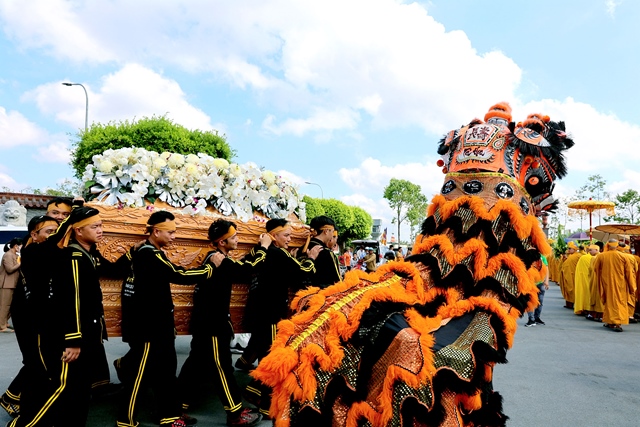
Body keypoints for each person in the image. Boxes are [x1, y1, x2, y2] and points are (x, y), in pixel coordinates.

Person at [10, 207, 135, 427]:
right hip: (63, 333)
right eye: (94, 226)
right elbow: (71, 300)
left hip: (87, 333)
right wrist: (73, 339)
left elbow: (110, 271)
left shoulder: (88, 254)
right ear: (77, 230)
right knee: (61, 386)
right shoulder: (71, 257)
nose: (100, 231)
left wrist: (132, 253)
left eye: (101, 226)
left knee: (79, 390)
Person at [115, 211, 221, 427]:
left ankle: (169, 415)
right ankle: (125, 419)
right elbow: (179, 274)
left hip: (159, 326)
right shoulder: (149, 255)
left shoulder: (151, 253)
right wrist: (210, 267)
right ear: (156, 231)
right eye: (170, 232)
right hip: (147, 328)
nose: (174, 236)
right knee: (139, 375)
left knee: (166, 371)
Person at [177, 219, 268, 426]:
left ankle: (175, 407)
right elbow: (249, 269)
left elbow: (240, 265)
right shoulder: (219, 260)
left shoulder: (217, 259)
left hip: (206, 324)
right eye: (234, 237)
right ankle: (235, 413)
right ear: (221, 242)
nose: (238, 240)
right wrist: (263, 248)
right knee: (222, 367)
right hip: (213, 326)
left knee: (194, 367)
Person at [240, 218, 321, 419]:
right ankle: (263, 401)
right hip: (271, 313)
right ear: (274, 236)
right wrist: (311, 258)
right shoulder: (278, 253)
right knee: (274, 356)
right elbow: (304, 272)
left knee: (266, 354)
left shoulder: (260, 251)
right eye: (286, 235)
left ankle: (256, 392)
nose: (289, 239)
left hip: (257, 311)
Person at [1, 215, 60, 419]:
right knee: (36, 362)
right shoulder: (33, 251)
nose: (54, 235)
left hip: (34, 313)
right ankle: (14, 400)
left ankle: (13, 398)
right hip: (28, 316)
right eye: (49, 232)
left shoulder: (38, 249)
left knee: (37, 361)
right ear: (34, 235)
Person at [593, 239, 635, 332]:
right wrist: (632, 286)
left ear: (608, 245)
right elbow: (629, 272)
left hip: (606, 283)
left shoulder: (601, 256)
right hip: (621, 284)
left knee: (609, 302)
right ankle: (616, 323)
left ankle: (612, 322)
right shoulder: (623, 256)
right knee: (619, 302)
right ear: (617, 246)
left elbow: (595, 269)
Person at [306, 216, 341, 289]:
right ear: (326, 231)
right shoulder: (326, 252)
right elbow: (337, 281)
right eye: (332, 232)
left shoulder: (301, 248)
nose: (332, 236)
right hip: (322, 293)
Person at [0, 238, 21, 332]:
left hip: (12, 283)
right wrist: (20, 263)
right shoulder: (8, 255)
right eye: (20, 246)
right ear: (16, 246)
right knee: (4, 305)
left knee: (10, 305)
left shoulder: (15, 255)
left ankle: (4, 322)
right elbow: (9, 269)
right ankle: (2, 326)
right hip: (6, 284)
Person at [574, 245, 599, 316]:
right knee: (586, 293)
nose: (589, 251)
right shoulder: (584, 257)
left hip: (593, 278)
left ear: (597, 250)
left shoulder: (599, 257)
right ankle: (586, 309)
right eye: (589, 249)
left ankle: (589, 309)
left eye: (591, 250)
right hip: (585, 278)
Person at [525, 254, 549, 326]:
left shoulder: (542, 257)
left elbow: (546, 269)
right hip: (530, 283)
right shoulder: (527, 254)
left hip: (540, 283)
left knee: (540, 302)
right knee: (530, 301)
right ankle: (531, 319)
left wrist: (546, 281)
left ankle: (537, 317)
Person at [560, 241, 581, 309]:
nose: (568, 250)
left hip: (573, 275)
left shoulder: (578, 256)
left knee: (573, 290)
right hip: (567, 274)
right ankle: (569, 304)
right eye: (568, 248)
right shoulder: (569, 256)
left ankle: (575, 303)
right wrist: (564, 259)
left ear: (574, 249)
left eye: (570, 248)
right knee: (567, 288)